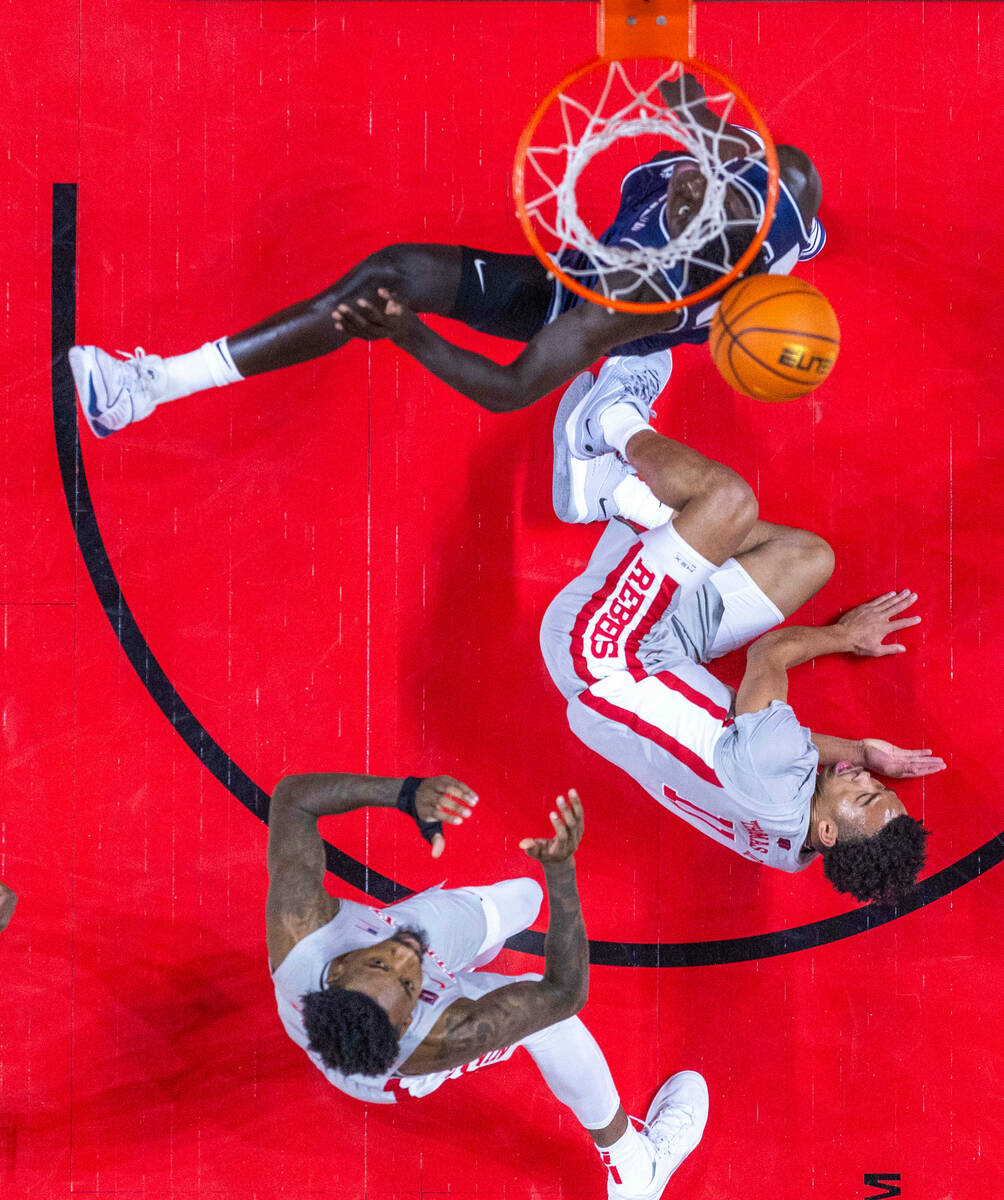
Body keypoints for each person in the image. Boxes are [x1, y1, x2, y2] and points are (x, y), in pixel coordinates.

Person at [70, 76, 824, 436]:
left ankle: (151, 388)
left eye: (702, 202)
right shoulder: (764, 178)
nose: (696, 183)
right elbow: (694, 103)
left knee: (390, 282)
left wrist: (411, 335)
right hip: (698, 259)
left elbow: (513, 388)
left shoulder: (631, 298)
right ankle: (796, 259)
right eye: (709, 179)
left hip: (586, 300)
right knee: (798, 178)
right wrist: (669, 75)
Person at [540, 354, 944, 904]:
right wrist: (861, 752)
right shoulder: (792, 848)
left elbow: (771, 654)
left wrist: (846, 637)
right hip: (663, 656)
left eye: (867, 798)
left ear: (829, 832)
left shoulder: (773, 770)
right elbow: (780, 746)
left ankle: (607, 425)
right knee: (807, 560)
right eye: (878, 789)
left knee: (727, 503)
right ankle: (613, 499)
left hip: (602, 650)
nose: (869, 783)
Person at [267, 770, 709, 1199]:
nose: (406, 955)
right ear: (410, 1017)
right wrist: (562, 877)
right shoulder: (439, 1035)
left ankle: (460, 963)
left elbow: (293, 799)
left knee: (523, 898)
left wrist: (405, 794)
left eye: (380, 963)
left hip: (378, 952)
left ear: (339, 970)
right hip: (403, 1046)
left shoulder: (302, 926)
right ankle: (635, 1169)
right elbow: (563, 995)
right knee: (550, 1023)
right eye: (407, 983)